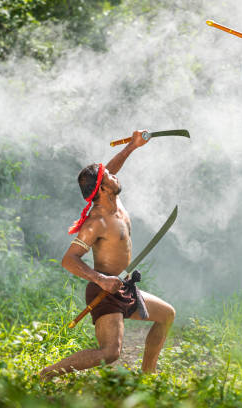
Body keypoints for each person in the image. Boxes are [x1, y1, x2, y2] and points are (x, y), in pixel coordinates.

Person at [39, 130, 175, 378]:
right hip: (104, 291)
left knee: (167, 315)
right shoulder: (96, 222)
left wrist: (132, 147)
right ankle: (47, 373)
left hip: (124, 285)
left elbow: (109, 169)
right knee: (110, 353)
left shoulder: (114, 200)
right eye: (109, 176)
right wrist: (101, 280)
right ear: (102, 188)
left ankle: (148, 376)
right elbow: (69, 259)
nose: (115, 175)